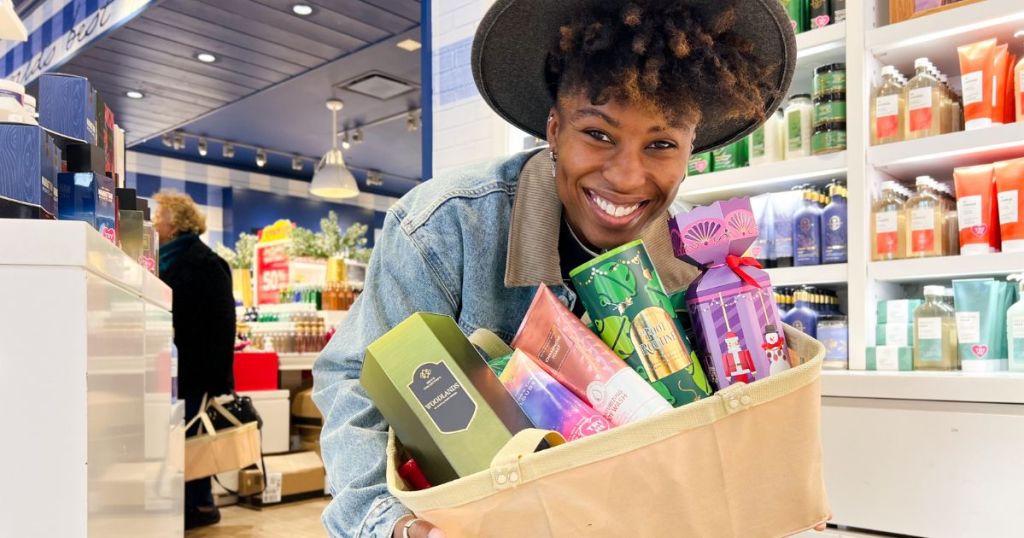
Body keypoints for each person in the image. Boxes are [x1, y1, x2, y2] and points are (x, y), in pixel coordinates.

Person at [313, 1, 826, 536]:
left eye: (661, 144)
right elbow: (353, 377)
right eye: (598, 134)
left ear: (690, 149)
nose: (627, 177)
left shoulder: (696, 270)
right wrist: (392, 524)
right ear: (554, 130)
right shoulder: (446, 228)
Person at [154, 190, 236, 530]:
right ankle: (188, 504)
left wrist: (219, 382)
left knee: (194, 438)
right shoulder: (165, 259)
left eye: (158, 216)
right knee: (181, 437)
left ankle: (199, 506)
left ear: (174, 223)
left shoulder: (205, 263)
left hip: (195, 370)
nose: (153, 221)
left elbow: (221, 325)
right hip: (173, 367)